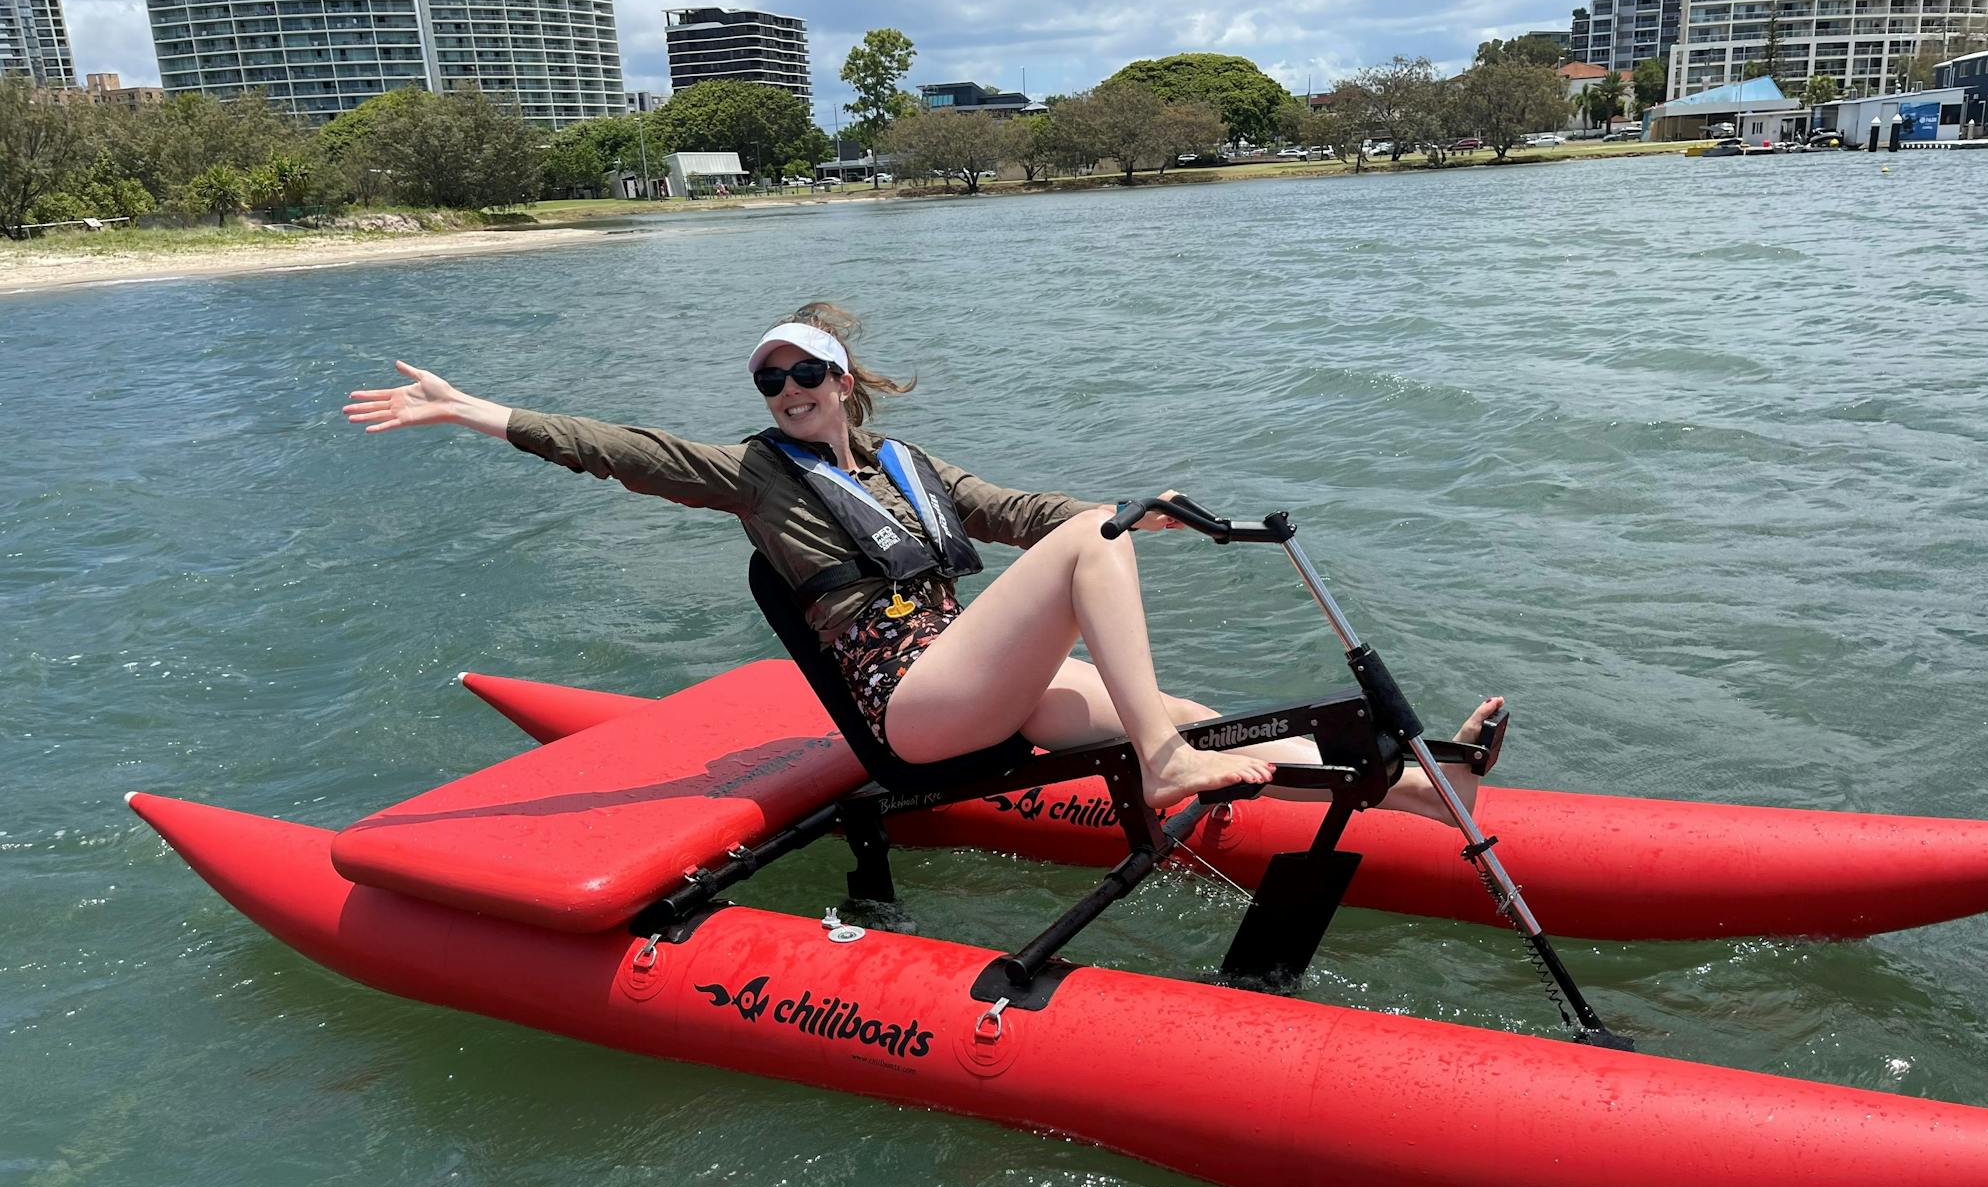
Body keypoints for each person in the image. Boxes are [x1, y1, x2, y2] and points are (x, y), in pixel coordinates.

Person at [344, 302, 1502, 814]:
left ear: (841, 381)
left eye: (805, 376)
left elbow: (1012, 506)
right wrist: (472, 413)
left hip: (976, 683)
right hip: (911, 710)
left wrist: (1141, 513)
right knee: (1084, 549)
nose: (787, 394)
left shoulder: (909, 464)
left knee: (1184, 687)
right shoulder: (754, 477)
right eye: (769, 383)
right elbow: (620, 451)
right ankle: (1163, 762)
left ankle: (1419, 784)